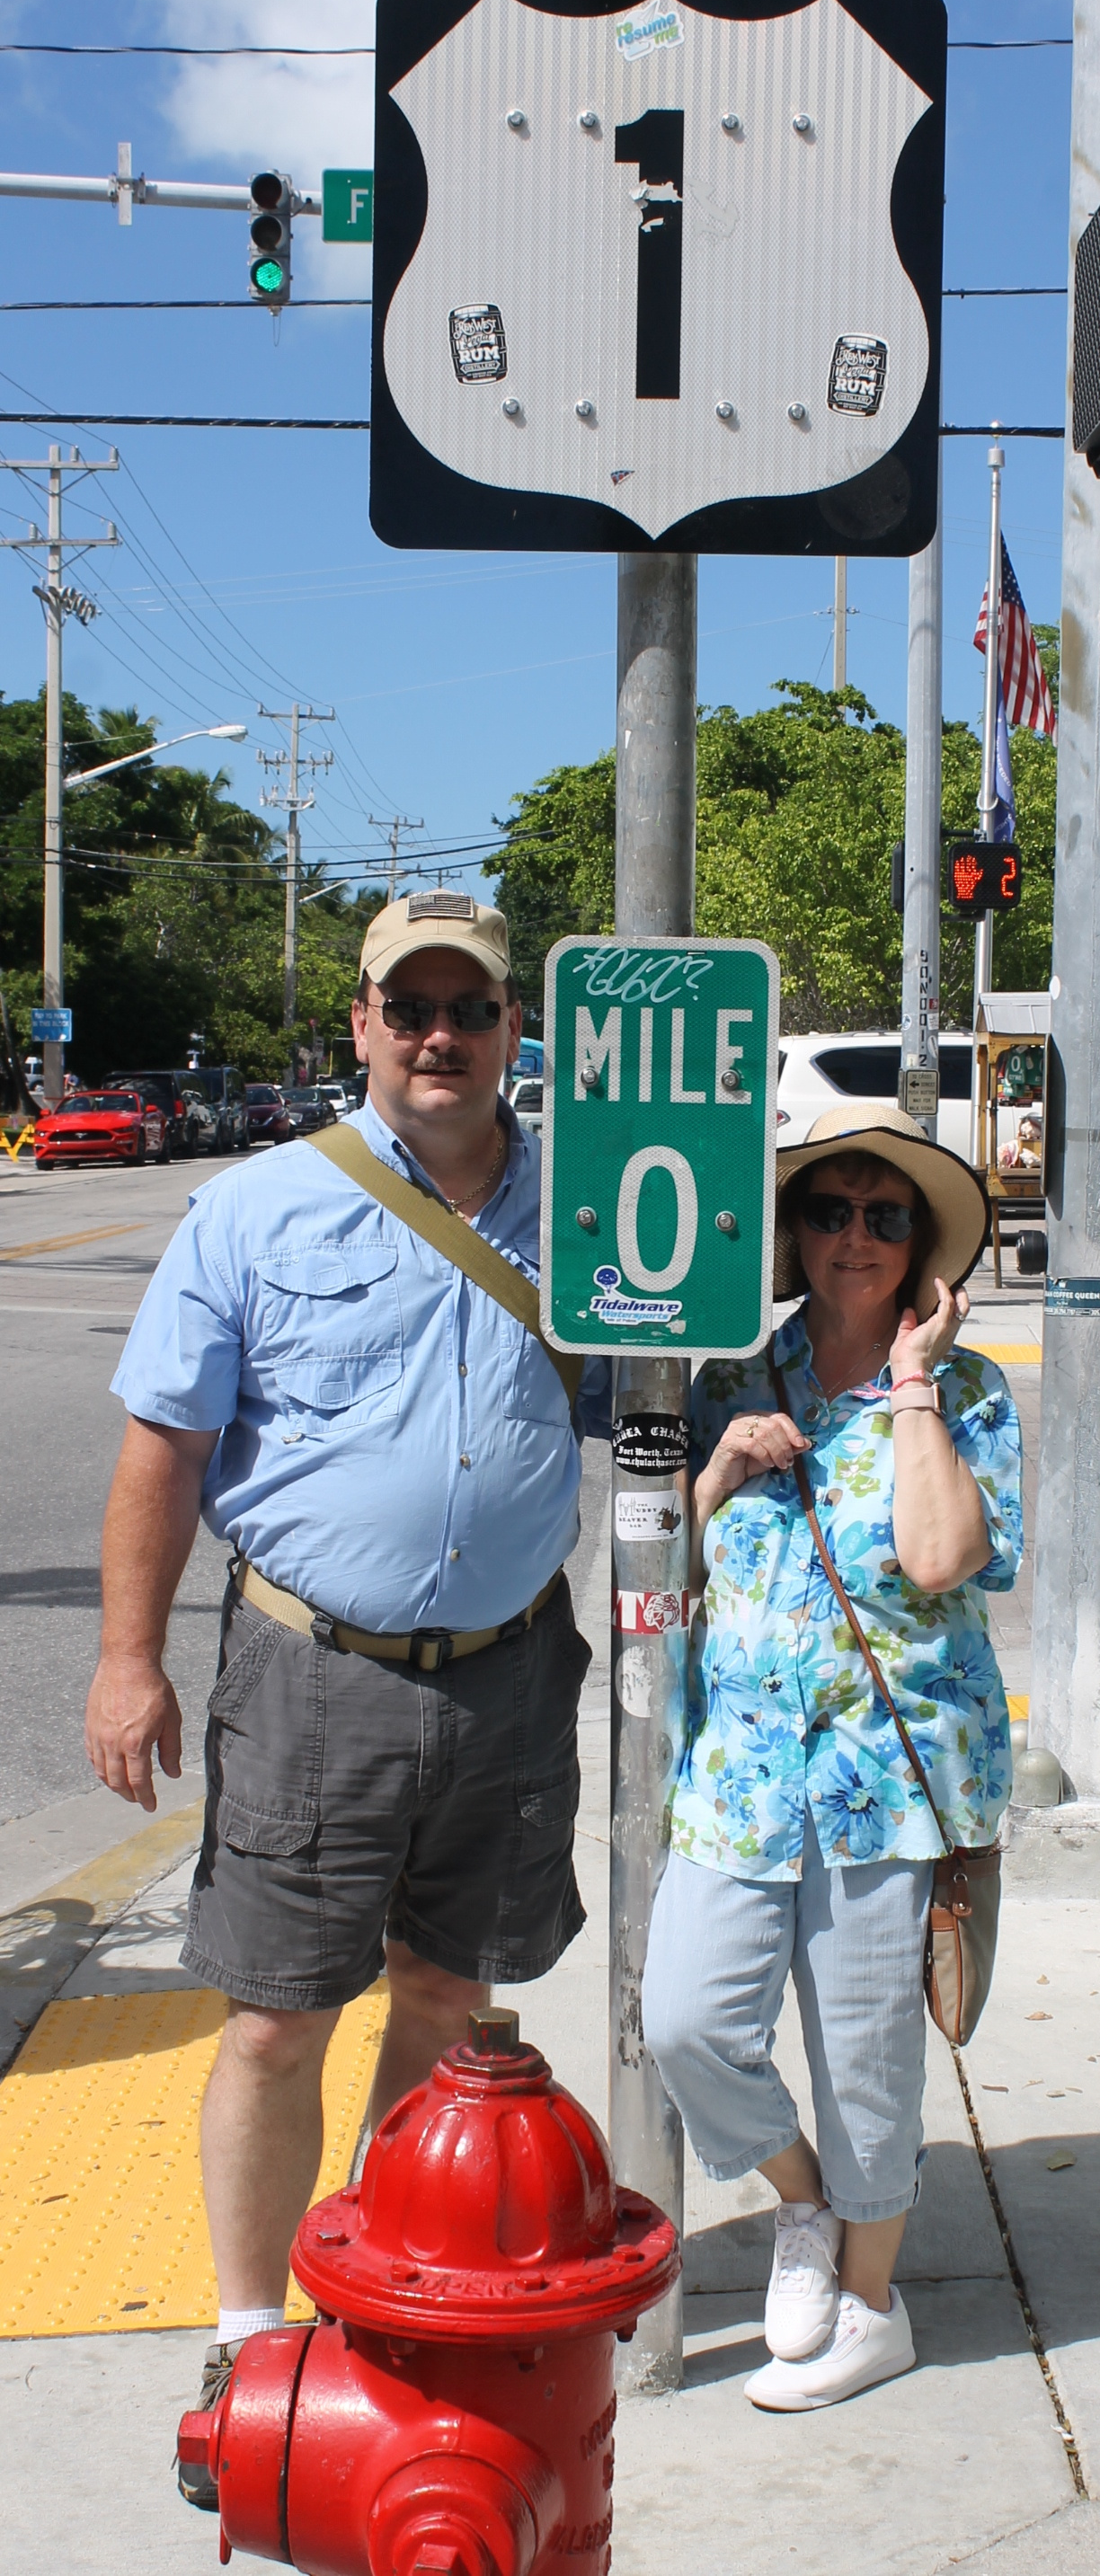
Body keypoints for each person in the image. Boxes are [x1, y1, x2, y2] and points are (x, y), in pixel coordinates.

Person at [84, 891, 609, 2505]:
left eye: (471, 1006)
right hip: (315, 1675)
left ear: (516, 1027)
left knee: (447, 2011)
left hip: (512, 1670)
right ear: (364, 1024)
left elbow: (680, 1369)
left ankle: (379, 2300)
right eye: (411, 1007)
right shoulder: (253, 1211)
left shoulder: (589, 1208)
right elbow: (163, 1446)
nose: (440, 1033)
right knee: (272, 2022)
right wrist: (128, 1657)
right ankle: (253, 2342)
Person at [643, 1102, 1021, 2412]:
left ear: (918, 1245)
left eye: (884, 1215)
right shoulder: (730, 1384)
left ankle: (872, 2306)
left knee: (867, 2060)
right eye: (828, 1210)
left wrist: (914, 1380)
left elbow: (939, 1558)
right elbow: (654, 1583)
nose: (853, 1237)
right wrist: (712, 1479)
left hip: (884, 1785)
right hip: (740, 1773)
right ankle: (801, 2204)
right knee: (685, 2018)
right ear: (793, 1231)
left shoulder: (969, 1392)